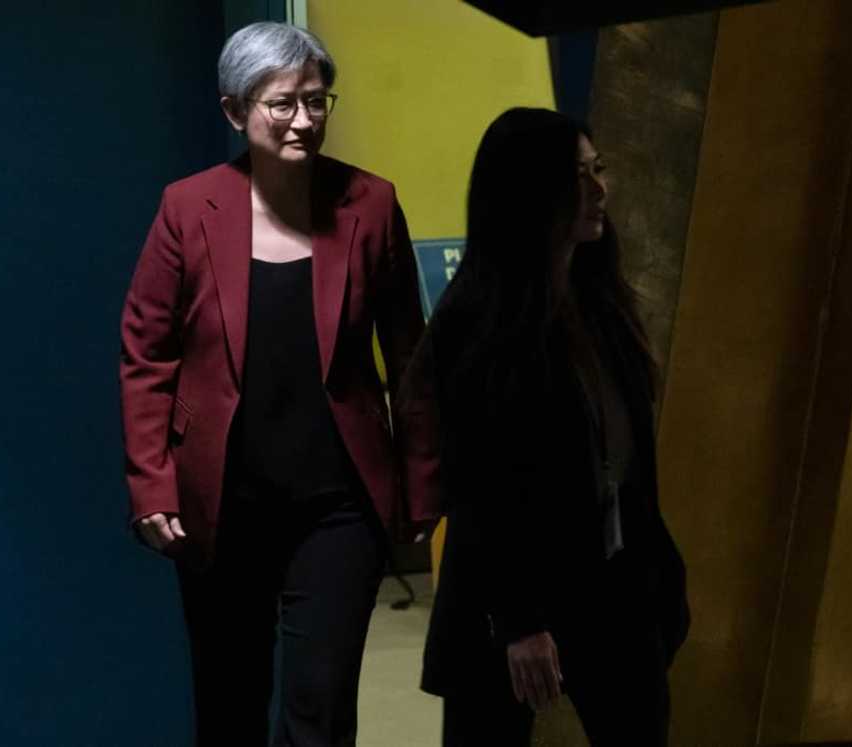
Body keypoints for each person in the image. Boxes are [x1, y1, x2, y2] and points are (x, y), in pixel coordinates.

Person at [119, 22, 439, 745]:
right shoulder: (186, 207)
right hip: (220, 502)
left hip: (339, 507)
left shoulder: (372, 203)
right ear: (236, 111)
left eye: (317, 101)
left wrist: (421, 478)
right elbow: (146, 350)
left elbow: (409, 355)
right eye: (283, 103)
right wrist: (151, 481)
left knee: (320, 711)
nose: (305, 120)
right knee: (230, 704)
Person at [407, 107, 690, 746]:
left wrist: (661, 577)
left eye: (599, 170)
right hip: (509, 601)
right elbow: (480, 485)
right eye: (577, 177)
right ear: (531, 194)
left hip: (615, 588)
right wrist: (519, 621)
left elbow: (626, 463)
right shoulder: (479, 319)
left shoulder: (601, 301)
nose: (599, 190)